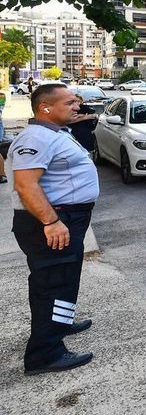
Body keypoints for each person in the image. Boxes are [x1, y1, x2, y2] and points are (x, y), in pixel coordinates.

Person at [8, 83, 98, 375]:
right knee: (53, 281)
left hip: (67, 218)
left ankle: (59, 324)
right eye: (70, 103)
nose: (77, 107)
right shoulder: (36, 137)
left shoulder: (54, 133)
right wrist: (51, 221)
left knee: (64, 277)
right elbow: (26, 184)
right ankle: (44, 354)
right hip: (52, 221)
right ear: (46, 107)